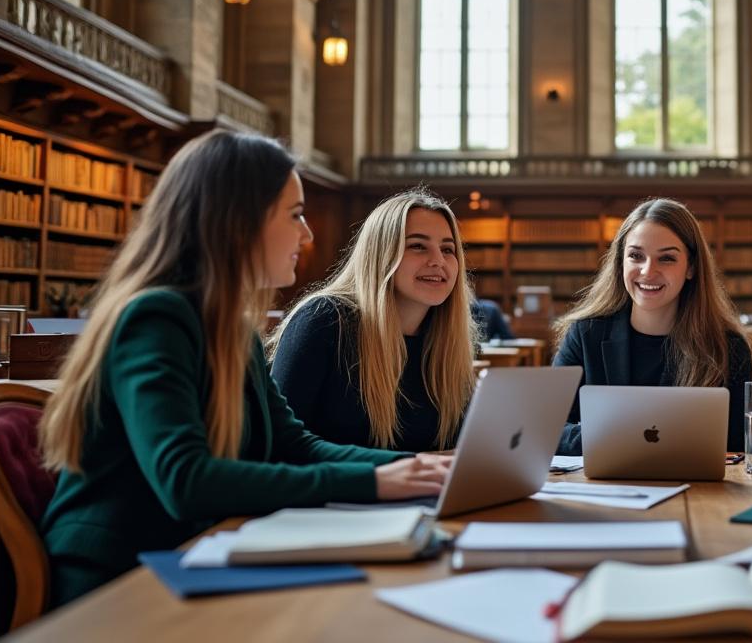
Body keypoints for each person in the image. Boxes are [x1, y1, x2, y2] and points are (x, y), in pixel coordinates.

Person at [38, 131, 448, 606]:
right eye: (295, 214)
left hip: (195, 550)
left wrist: (414, 467)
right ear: (239, 221)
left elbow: (294, 444)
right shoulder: (155, 317)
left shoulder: (232, 327)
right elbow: (186, 480)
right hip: (117, 575)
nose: (307, 235)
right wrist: (374, 482)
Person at [268, 188, 477, 452]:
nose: (438, 261)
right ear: (381, 255)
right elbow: (279, 444)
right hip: (336, 481)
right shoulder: (324, 320)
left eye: (448, 249)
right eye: (417, 246)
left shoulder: (449, 342)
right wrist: (402, 468)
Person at [553, 198, 752, 454]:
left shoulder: (728, 347)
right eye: (636, 256)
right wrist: (619, 437)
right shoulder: (585, 335)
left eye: (666, 258)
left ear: (691, 267)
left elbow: (742, 445)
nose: (648, 271)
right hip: (602, 478)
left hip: (693, 480)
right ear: (621, 261)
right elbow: (548, 428)